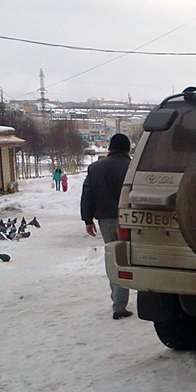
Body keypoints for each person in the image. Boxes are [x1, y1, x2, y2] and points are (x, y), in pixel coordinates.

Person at [81, 133, 132, 319]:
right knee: (131, 258)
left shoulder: (95, 168)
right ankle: (134, 301)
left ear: (110, 148)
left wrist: (88, 220)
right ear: (127, 149)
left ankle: (118, 303)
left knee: (114, 259)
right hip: (130, 219)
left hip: (106, 221)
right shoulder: (133, 167)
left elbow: (87, 194)